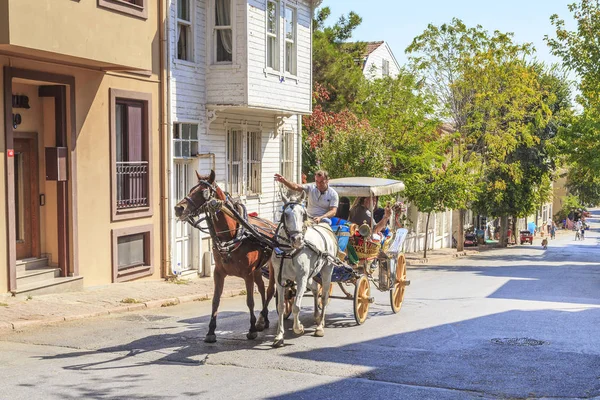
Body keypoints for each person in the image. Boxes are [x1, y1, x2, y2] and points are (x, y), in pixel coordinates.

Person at [274, 170, 339, 224]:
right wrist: (284, 181)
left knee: (327, 223)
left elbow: (333, 211)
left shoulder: (333, 194)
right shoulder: (311, 188)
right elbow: (296, 187)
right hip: (308, 219)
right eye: (317, 181)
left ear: (327, 180)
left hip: (323, 221)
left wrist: (321, 217)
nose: (319, 184)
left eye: (322, 182)